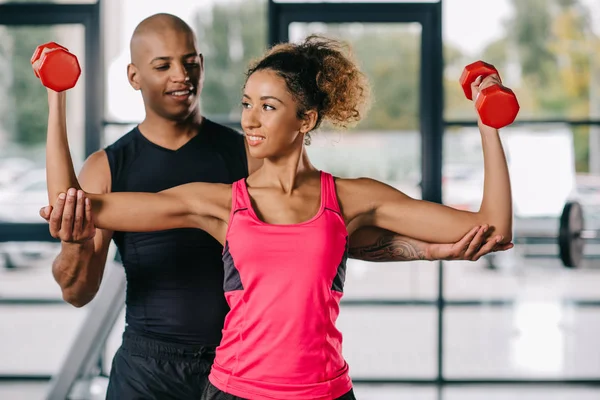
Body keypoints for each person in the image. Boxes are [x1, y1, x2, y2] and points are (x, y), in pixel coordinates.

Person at [39, 14, 512, 400]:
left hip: (323, 389)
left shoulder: (350, 197)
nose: (249, 117)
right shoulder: (219, 201)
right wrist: (57, 97)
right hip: (213, 382)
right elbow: (71, 206)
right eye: (247, 103)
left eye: (267, 106)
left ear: (305, 119)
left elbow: (492, 228)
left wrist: (487, 124)